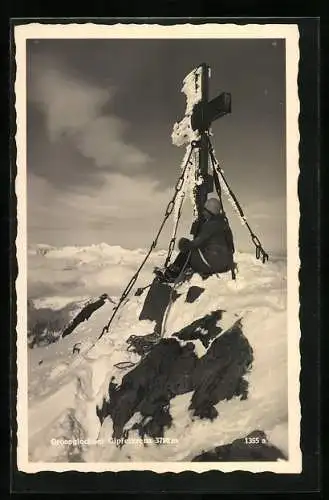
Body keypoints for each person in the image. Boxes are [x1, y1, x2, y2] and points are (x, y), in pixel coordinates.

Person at [155, 197, 235, 283]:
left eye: (205, 210)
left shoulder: (211, 225)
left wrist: (184, 244)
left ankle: (172, 274)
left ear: (211, 212)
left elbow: (196, 243)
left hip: (214, 264)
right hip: (225, 264)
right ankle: (180, 269)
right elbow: (230, 246)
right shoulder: (223, 223)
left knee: (188, 250)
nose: (203, 213)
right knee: (193, 250)